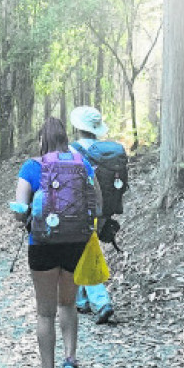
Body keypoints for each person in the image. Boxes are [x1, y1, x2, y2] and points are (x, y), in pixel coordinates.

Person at [13, 117, 102, 368]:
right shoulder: (82, 164)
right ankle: (70, 360)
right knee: (68, 304)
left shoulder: (32, 167)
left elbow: (19, 213)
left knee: (45, 313)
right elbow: (97, 205)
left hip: (42, 246)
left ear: (43, 140)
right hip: (75, 243)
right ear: (65, 138)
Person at [68, 106, 119, 325]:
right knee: (82, 251)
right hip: (103, 209)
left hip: (81, 210)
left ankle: (101, 301)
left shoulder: (72, 151)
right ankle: (81, 301)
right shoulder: (106, 150)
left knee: (83, 253)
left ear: (77, 127)